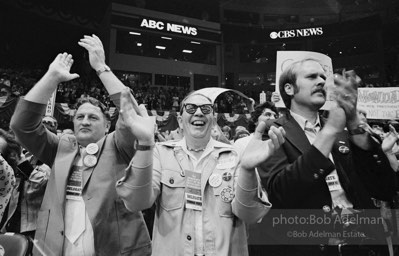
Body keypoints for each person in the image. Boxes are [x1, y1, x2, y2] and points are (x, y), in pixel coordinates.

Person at [10, 35, 151, 256]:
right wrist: (52, 77)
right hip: (55, 247)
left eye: (93, 118)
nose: (85, 121)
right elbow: (21, 125)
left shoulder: (119, 146)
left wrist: (102, 68)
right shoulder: (60, 147)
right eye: (80, 117)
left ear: (107, 126)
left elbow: (133, 115)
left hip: (112, 248)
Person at [251, 59, 396, 255]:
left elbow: (384, 188)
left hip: (361, 245)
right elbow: (280, 193)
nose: (321, 81)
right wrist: (329, 132)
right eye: (312, 77)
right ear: (289, 89)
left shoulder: (345, 131)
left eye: (323, 77)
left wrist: (353, 121)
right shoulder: (273, 131)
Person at [116, 90, 286, 256]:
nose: (198, 112)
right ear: (181, 121)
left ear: (213, 121)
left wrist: (248, 170)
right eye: (191, 108)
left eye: (205, 109)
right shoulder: (161, 154)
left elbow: (250, 215)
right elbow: (136, 203)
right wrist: (145, 144)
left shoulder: (235, 156)